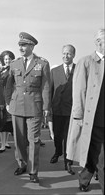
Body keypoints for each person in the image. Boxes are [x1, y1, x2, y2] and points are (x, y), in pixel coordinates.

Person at [5, 32, 51, 183]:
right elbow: (8, 85)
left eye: (24, 45)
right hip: (16, 105)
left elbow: (45, 87)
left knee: (34, 139)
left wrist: (45, 107)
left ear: (32, 46)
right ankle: (22, 164)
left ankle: (33, 171)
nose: (21, 48)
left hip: (34, 105)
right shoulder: (14, 64)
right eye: (20, 45)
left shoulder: (42, 64)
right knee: (19, 139)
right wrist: (7, 102)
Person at [66, 28, 104, 193]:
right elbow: (79, 90)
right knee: (93, 154)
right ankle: (84, 178)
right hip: (94, 119)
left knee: (102, 159)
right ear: (98, 43)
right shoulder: (86, 62)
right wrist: (78, 115)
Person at [50, 44, 76, 175]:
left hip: (72, 111)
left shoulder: (79, 70)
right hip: (57, 110)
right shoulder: (54, 71)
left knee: (68, 137)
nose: (66, 56)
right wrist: (48, 109)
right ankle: (57, 152)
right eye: (64, 53)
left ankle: (68, 162)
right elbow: (49, 90)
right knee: (57, 135)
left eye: (69, 54)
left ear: (73, 55)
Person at [0, 50, 15, 153]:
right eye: (6, 59)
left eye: (9, 59)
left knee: (8, 123)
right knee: (1, 122)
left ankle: (6, 142)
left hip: (11, 99)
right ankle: (2, 144)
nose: (8, 61)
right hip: (1, 98)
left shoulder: (14, 70)